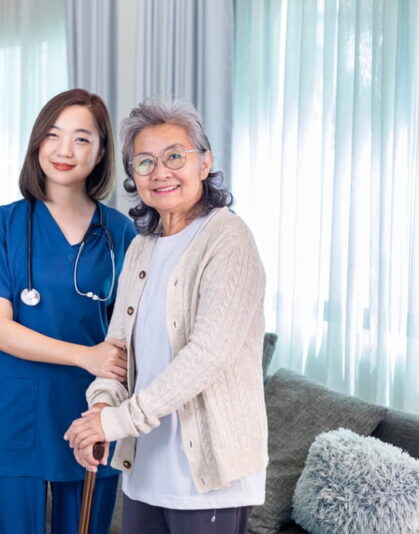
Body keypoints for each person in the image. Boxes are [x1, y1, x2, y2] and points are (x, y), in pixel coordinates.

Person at [64, 99, 268, 534]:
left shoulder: (229, 241)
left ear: (205, 162)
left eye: (175, 156)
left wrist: (116, 421)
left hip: (209, 479)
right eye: (145, 161)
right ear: (133, 176)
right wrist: (100, 410)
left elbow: (206, 356)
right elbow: (117, 349)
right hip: (145, 470)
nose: (161, 172)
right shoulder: (143, 246)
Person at [0, 88, 137, 534]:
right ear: (37, 143)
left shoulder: (121, 233)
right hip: (13, 413)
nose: (64, 150)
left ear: (100, 154)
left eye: (82, 139)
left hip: (90, 413)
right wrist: (86, 354)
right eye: (53, 135)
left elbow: (132, 329)